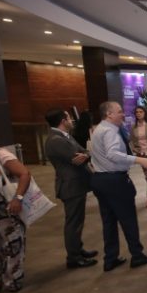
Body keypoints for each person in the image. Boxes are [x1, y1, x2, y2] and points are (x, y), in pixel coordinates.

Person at [90, 101, 147, 272]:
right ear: (109, 114)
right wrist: (139, 160)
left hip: (101, 179)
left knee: (109, 221)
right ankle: (137, 255)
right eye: (119, 111)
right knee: (128, 219)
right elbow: (113, 154)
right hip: (114, 181)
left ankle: (110, 258)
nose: (123, 114)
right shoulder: (110, 131)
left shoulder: (99, 129)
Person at [43, 109, 97, 269]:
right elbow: (76, 158)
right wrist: (86, 155)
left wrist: (86, 154)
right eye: (69, 117)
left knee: (78, 220)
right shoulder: (56, 140)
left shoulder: (64, 136)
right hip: (70, 186)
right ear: (62, 121)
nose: (72, 120)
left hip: (76, 184)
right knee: (73, 223)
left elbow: (83, 151)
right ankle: (74, 257)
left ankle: (78, 249)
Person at [0, 129, 30, 292]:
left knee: (12, 241)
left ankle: (11, 279)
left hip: (2, 203)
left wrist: (17, 198)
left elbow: (24, 173)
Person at [130, 105, 147, 208]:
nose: (138, 114)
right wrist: (135, 150)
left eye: (140, 112)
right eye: (137, 112)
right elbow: (131, 141)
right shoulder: (133, 127)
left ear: (145, 113)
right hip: (141, 154)